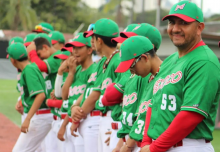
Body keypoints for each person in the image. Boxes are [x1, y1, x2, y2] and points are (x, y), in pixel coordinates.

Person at [141, 1, 220, 152]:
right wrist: (146, 141)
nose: (175, 29)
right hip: (160, 145)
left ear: (199, 28)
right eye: (172, 22)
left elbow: (190, 115)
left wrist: (153, 148)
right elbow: (153, 103)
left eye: (183, 23)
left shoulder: (204, 61)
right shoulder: (170, 60)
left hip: (188, 145)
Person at [71, 18, 130, 152]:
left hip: (114, 118)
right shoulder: (104, 61)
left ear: (100, 40)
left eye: (94, 37)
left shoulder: (118, 60)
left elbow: (98, 95)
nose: (91, 41)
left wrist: (76, 119)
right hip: (104, 120)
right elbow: (93, 91)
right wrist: (75, 107)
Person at [103, 23, 162, 152]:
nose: (131, 71)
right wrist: (121, 143)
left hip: (143, 142)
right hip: (131, 137)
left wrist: (127, 145)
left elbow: (144, 116)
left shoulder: (152, 75)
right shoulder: (137, 75)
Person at [9, 43, 53, 152]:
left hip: (41, 117)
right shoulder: (31, 67)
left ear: (13, 60)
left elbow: (40, 95)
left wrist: (27, 118)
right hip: (42, 115)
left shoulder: (29, 70)